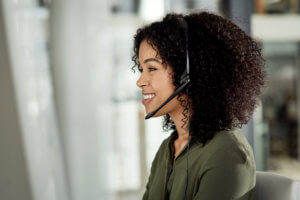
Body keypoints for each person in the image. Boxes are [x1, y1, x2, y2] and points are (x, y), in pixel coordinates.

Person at [132, 12, 265, 200]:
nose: (140, 81)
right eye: (141, 70)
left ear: (187, 74)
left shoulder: (226, 152)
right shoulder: (167, 149)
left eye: (152, 68)